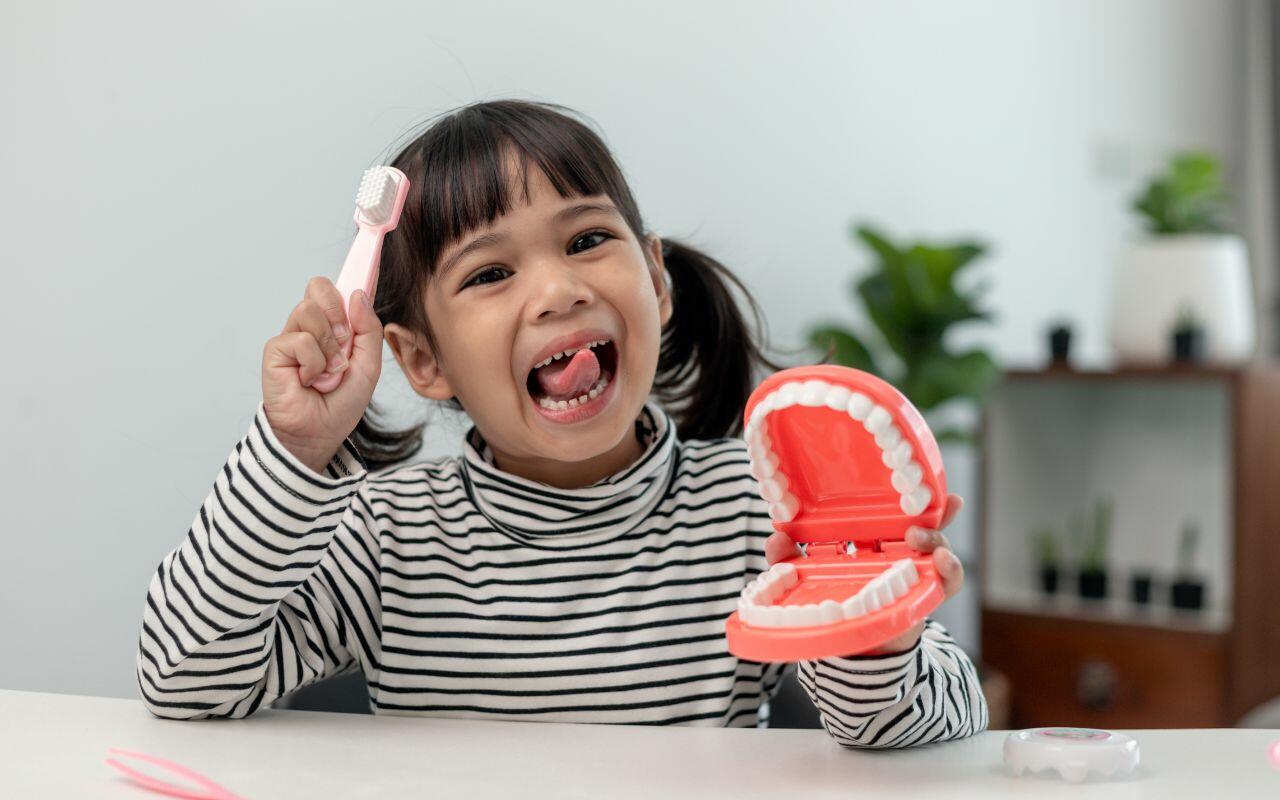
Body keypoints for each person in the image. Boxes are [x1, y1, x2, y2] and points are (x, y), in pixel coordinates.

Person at [137, 99, 986, 748]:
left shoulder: (754, 511)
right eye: (492, 272)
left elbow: (932, 723)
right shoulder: (387, 534)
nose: (558, 290)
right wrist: (296, 450)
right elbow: (182, 679)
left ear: (656, 283)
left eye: (584, 241)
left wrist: (873, 640)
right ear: (422, 359)